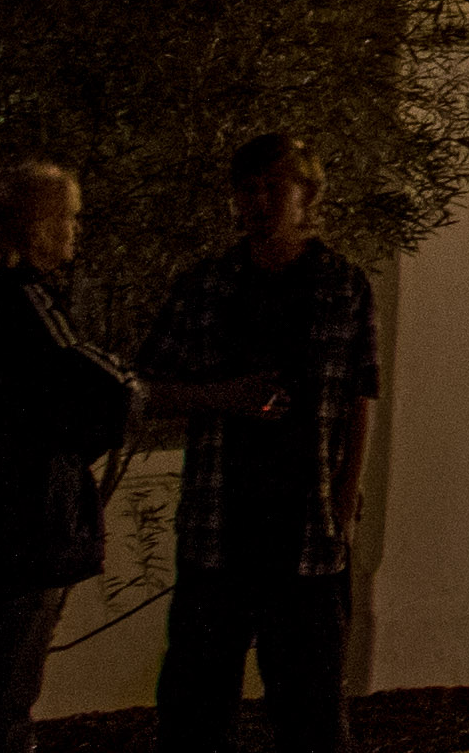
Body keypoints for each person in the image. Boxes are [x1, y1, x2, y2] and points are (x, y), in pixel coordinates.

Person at [139, 134, 376, 753]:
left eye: (276, 186)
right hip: (219, 527)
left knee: (313, 709)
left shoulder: (342, 285)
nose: (260, 201)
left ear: (308, 195)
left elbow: (360, 397)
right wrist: (225, 397)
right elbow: (147, 385)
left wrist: (345, 502)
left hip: (306, 532)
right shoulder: (207, 286)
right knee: (195, 707)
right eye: (248, 189)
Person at [0, 162, 142, 753]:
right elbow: (99, 385)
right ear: (37, 226)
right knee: (3, 693)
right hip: (20, 532)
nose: (75, 229)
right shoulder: (19, 304)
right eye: (69, 216)